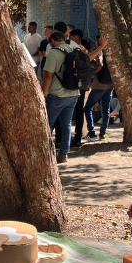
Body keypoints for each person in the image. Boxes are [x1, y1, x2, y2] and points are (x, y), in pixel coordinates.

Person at [41, 31, 78, 164]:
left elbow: (48, 75)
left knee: (48, 124)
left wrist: (43, 93)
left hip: (56, 94)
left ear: (52, 41)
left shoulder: (53, 53)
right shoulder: (74, 49)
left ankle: (44, 154)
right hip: (73, 94)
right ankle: (64, 153)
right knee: (66, 124)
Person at [85, 34, 115, 141]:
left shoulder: (100, 51)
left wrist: (92, 74)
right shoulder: (112, 52)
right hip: (110, 85)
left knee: (88, 108)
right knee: (105, 108)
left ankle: (92, 133)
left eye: (97, 41)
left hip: (99, 85)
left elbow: (100, 65)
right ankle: (103, 133)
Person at [68, 28, 88, 148]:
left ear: (76, 38)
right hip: (81, 84)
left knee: (69, 111)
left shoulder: (72, 48)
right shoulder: (84, 50)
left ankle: (68, 138)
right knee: (79, 111)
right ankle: (78, 138)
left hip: (71, 84)